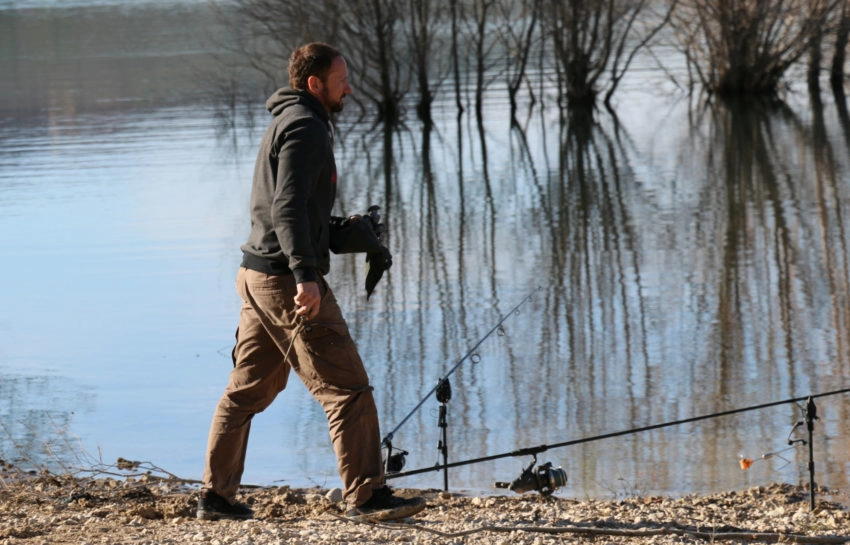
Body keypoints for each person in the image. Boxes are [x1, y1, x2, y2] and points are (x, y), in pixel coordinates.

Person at [197, 42, 424, 522]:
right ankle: (366, 496)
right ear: (314, 83)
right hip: (284, 283)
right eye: (342, 80)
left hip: (256, 276)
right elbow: (286, 210)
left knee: (247, 392)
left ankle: (215, 500)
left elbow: (290, 211)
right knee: (347, 387)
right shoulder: (305, 127)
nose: (350, 87)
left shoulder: (288, 120)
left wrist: (344, 231)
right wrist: (306, 276)